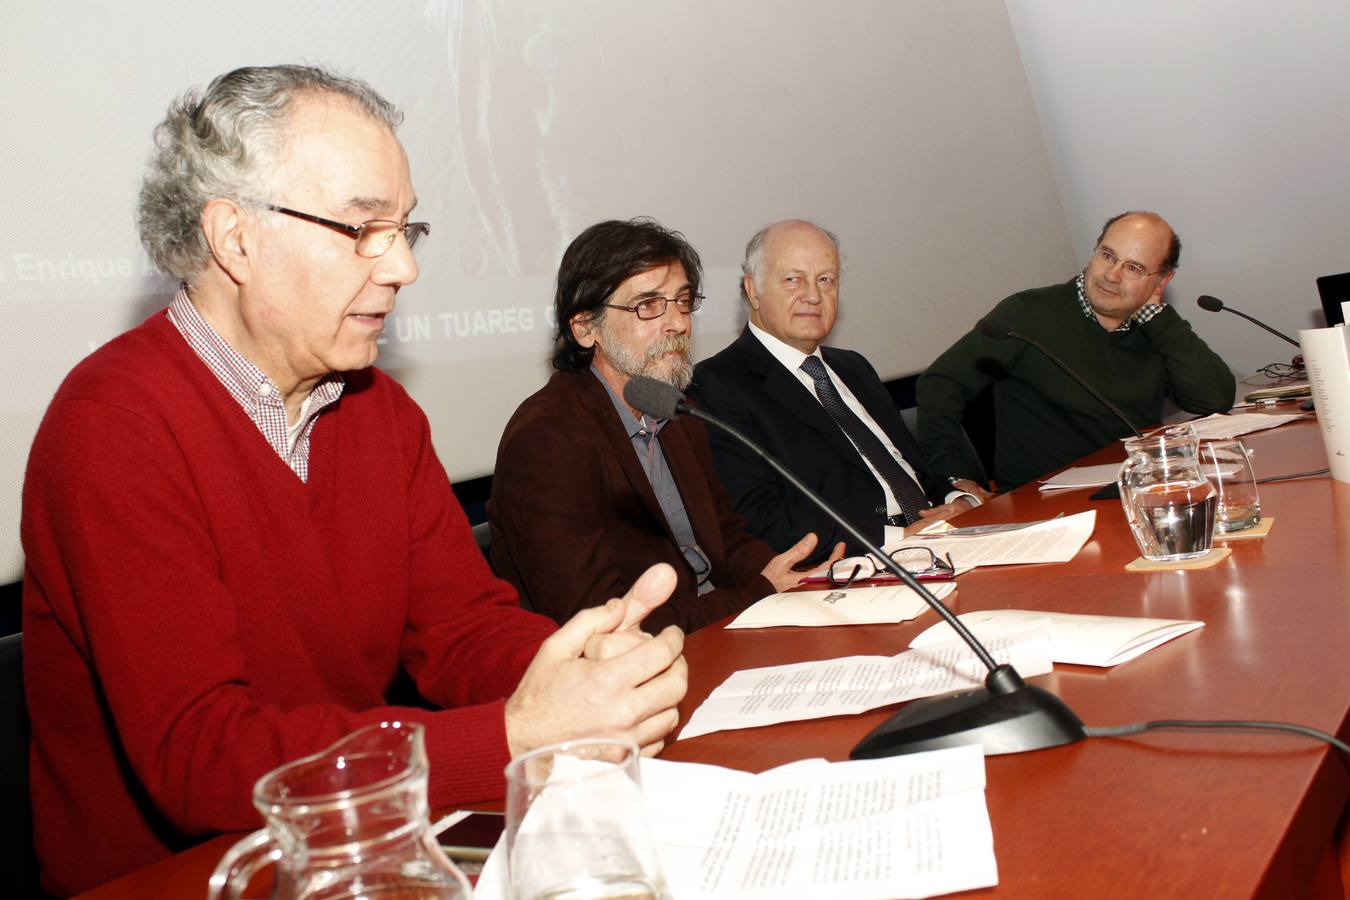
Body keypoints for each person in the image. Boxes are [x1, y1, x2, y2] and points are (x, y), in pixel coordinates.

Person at [20, 66, 686, 897]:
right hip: (186, 877)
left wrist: (578, 663)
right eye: (364, 229)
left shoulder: (380, 411)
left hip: (366, 845)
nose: (403, 266)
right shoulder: (113, 427)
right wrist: (515, 733)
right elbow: (200, 756)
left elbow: (460, 629)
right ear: (235, 238)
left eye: (407, 229)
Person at [489, 219, 839, 633]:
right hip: (630, 665)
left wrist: (790, 577)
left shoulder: (675, 409)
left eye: (682, 301)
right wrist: (759, 592)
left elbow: (725, 539)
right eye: (648, 305)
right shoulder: (548, 439)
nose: (677, 322)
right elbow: (599, 622)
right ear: (586, 328)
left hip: (714, 629)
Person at [690, 219, 977, 564]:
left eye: (826, 280)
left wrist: (956, 498)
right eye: (793, 279)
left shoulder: (853, 367)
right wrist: (900, 537)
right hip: (859, 563)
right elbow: (762, 517)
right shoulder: (715, 384)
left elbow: (911, 466)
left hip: (945, 539)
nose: (813, 295)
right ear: (753, 290)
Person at [917, 211, 1236, 490]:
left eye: (1134, 268)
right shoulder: (1027, 314)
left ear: (1162, 280)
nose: (1112, 275)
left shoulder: (1154, 330)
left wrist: (1160, 318)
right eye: (1108, 256)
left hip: (1134, 488)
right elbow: (940, 384)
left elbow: (1213, 398)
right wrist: (954, 478)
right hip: (1042, 500)